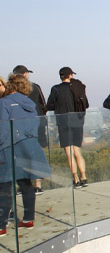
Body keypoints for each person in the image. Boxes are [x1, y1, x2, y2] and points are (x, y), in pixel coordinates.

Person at [0, 74, 51, 234]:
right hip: (28, 147)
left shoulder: (4, 103)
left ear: (10, 85)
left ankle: (1, 225)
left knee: (4, 186)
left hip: (9, 148)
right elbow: (34, 124)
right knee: (26, 184)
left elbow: (3, 129)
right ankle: (28, 219)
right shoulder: (30, 104)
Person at [46, 67, 88, 189]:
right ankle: (84, 177)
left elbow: (49, 105)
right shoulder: (78, 88)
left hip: (63, 123)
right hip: (78, 121)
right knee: (77, 151)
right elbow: (86, 103)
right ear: (70, 75)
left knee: (69, 153)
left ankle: (76, 179)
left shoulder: (56, 89)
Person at [12, 65, 47, 194]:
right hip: (36, 123)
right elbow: (43, 105)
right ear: (25, 74)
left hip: (19, 126)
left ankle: (24, 185)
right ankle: (37, 185)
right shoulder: (35, 87)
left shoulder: (12, 90)